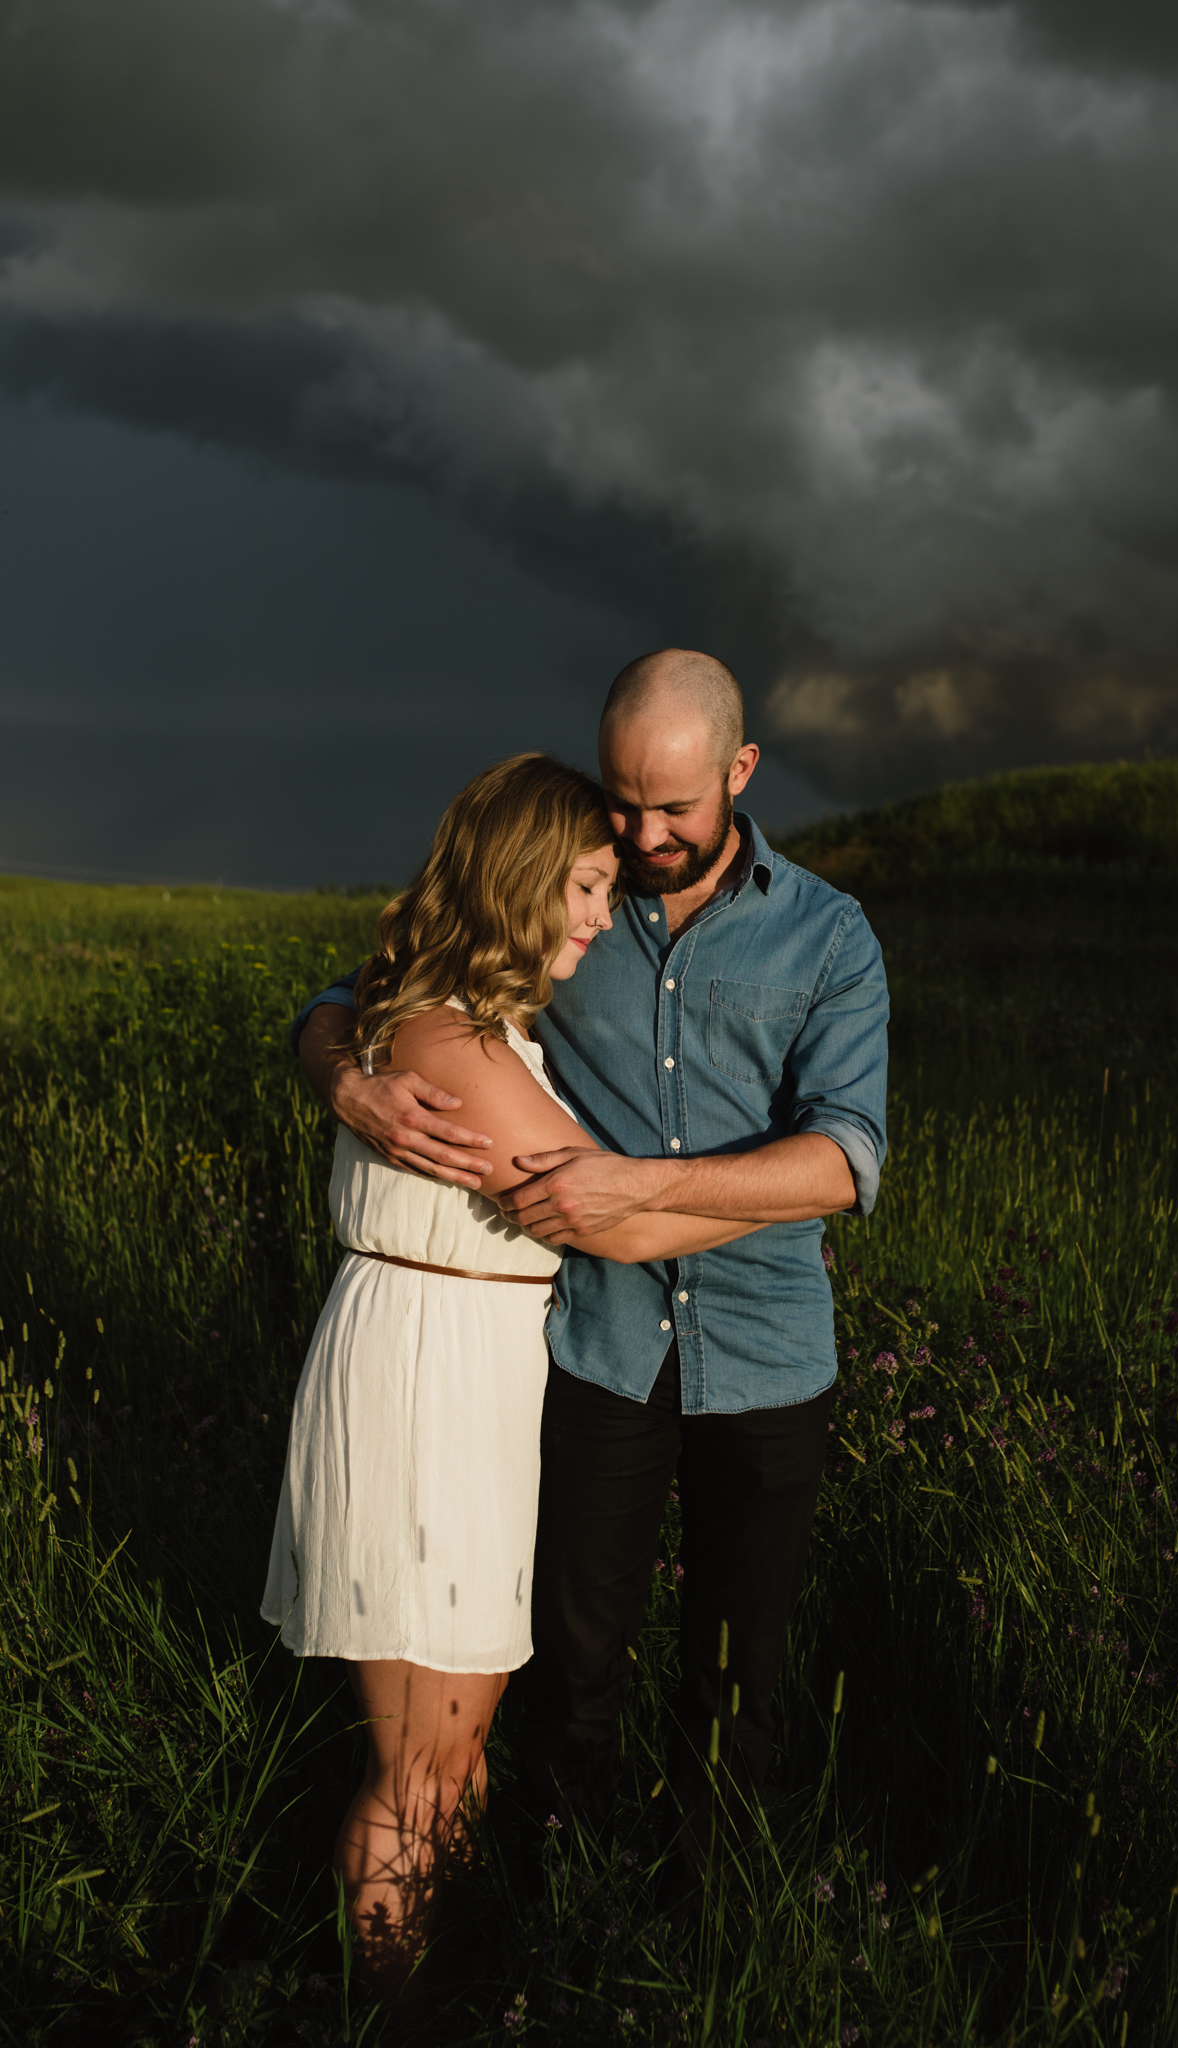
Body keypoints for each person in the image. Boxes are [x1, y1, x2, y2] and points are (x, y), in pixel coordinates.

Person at [293, 648, 889, 1890]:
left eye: (672, 805)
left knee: (738, 1681)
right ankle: (564, 1909)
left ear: (740, 770)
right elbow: (365, 993)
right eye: (622, 805)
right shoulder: (566, 896)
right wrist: (344, 1076)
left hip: (767, 1350)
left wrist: (646, 1187)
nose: (642, 832)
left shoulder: (826, 930)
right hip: (593, 1348)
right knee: (568, 1665)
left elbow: (844, 1158)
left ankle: (705, 1935)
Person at [263, 751, 761, 1988]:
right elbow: (619, 1221)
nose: (601, 913)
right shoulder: (443, 1033)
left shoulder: (443, 1014)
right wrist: (790, 1189)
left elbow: (334, 1008)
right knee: (422, 1768)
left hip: (458, 1374)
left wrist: (325, 1052)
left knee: (454, 1753)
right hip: (427, 1383)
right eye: (584, 885)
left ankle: (440, 1973)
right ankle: (393, 2008)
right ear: (522, 879)